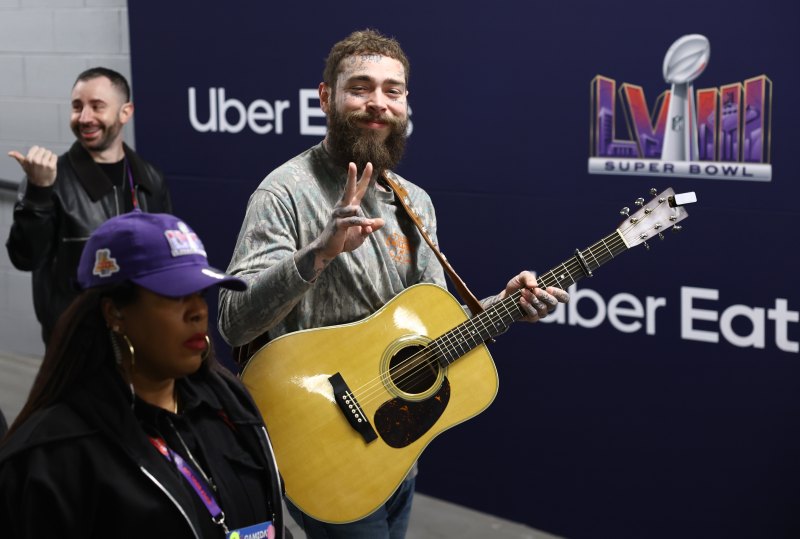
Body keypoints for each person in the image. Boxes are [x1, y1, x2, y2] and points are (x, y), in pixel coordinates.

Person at [218, 29, 569, 538]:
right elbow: (234, 322)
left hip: (394, 445)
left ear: (406, 104)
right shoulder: (284, 193)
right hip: (319, 443)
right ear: (326, 97)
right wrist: (318, 252)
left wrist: (506, 305)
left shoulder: (414, 201)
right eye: (359, 87)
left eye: (392, 90)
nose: (377, 103)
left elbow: (433, 327)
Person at [0, 211, 287, 539]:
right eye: (175, 295)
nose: (198, 311)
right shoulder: (52, 458)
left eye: (200, 293)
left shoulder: (229, 406)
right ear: (115, 313)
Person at [5, 67, 171, 345]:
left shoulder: (151, 178)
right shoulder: (48, 180)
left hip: (141, 334)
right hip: (76, 342)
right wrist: (38, 192)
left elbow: (165, 260)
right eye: (77, 106)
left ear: (125, 112)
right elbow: (25, 258)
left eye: (97, 106)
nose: (84, 118)